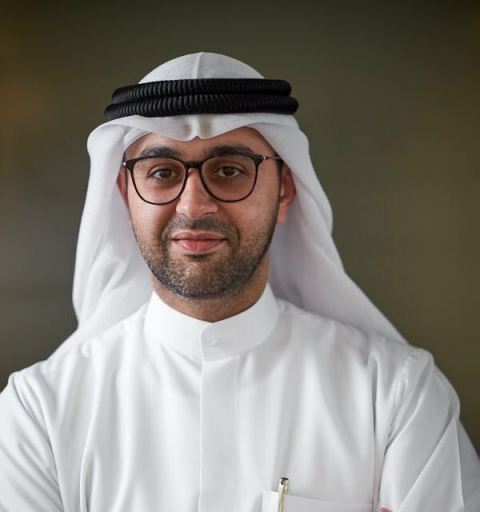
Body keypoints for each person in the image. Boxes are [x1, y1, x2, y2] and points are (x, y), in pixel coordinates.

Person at [0, 52, 478, 512]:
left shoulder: (396, 395)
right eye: (162, 173)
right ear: (126, 195)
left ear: (285, 190)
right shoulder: (40, 412)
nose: (193, 205)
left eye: (229, 171)